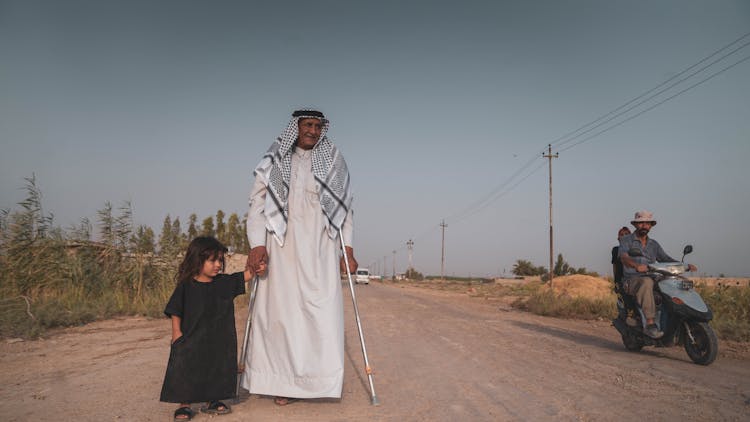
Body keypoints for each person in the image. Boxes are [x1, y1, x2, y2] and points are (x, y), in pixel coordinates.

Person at [242, 109, 358, 405]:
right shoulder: (274, 160)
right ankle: (282, 383)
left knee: (321, 313)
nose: (313, 130)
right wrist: (257, 244)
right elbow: (256, 204)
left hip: (320, 248)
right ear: (296, 127)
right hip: (281, 249)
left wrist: (348, 250)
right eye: (307, 125)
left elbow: (345, 209)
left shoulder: (333, 160)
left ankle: (317, 382)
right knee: (281, 316)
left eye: (318, 126)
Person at [160, 236, 264, 421]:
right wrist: (176, 332)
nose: (217, 265)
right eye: (212, 260)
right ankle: (185, 404)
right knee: (186, 370)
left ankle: (212, 400)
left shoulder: (224, 283)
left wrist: (258, 267)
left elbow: (246, 275)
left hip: (219, 338)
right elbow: (176, 309)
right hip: (191, 338)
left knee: (217, 367)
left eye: (220, 260)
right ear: (197, 260)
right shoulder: (186, 285)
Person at [619, 211, 697, 339]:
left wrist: (685, 265)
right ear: (635, 225)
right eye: (641, 223)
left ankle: (687, 315)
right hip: (632, 280)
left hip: (653, 277)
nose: (644, 225)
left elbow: (665, 258)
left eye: (647, 223)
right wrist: (636, 266)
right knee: (646, 282)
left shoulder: (653, 244)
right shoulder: (626, 240)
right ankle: (650, 324)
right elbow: (624, 257)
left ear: (651, 226)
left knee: (681, 282)